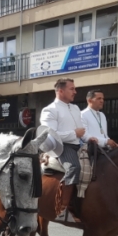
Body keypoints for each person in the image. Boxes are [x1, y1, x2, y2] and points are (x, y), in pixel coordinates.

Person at [40, 77, 85, 218]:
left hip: (80, 144)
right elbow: (50, 134)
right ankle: (63, 208)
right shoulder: (49, 110)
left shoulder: (76, 108)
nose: (75, 92)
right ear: (60, 91)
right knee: (73, 167)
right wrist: (74, 134)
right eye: (72, 89)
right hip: (62, 147)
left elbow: (82, 130)